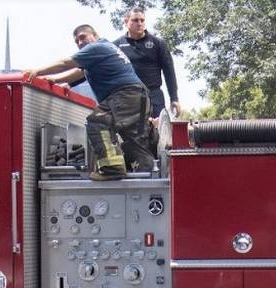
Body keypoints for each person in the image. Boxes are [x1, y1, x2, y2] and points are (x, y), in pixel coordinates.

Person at [25, 24, 154, 180]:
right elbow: (79, 73)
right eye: (76, 41)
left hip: (125, 95)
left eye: (82, 37)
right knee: (135, 142)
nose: (80, 43)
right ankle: (148, 176)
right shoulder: (106, 49)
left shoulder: (97, 48)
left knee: (97, 121)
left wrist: (37, 71)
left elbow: (66, 63)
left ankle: (111, 168)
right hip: (139, 97)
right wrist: (55, 80)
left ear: (95, 35)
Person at [114, 6, 181, 118]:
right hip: (127, 97)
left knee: (156, 132)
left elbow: (169, 72)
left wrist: (174, 98)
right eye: (135, 20)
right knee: (130, 134)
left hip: (154, 96)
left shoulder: (158, 43)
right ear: (126, 21)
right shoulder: (116, 46)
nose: (139, 23)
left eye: (142, 20)